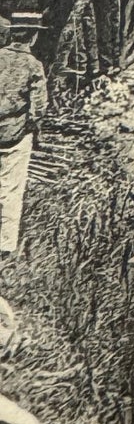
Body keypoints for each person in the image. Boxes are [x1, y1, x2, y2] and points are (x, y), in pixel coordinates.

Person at [0, 14, 48, 257]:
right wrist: (31, 126)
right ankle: (6, 245)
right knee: (11, 189)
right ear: (34, 36)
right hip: (15, 135)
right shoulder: (33, 65)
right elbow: (39, 108)